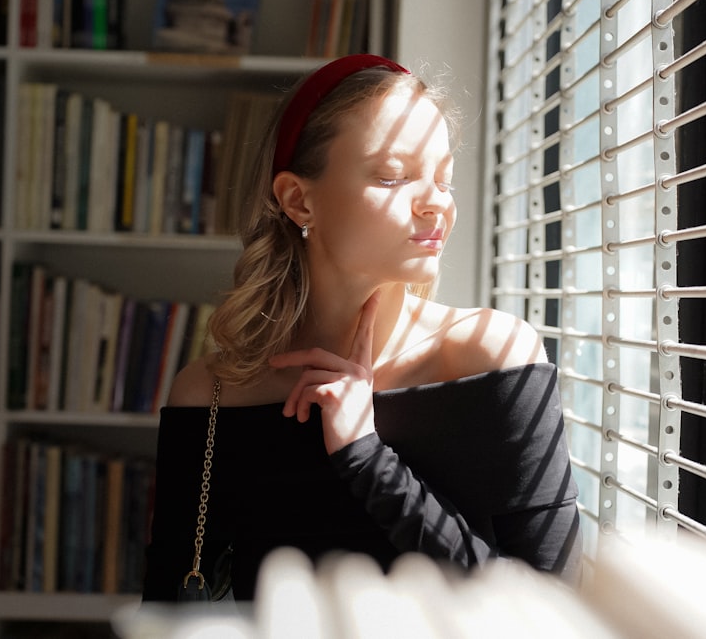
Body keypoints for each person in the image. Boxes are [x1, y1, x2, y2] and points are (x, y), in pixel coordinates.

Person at [141, 54, 582, 603]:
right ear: (299, 199)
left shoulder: (493, 354)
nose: (436, 204)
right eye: (393, 176)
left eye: (443, 178)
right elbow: (170, 608)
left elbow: (552, 604)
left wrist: (366, 457)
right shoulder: (211, 395)